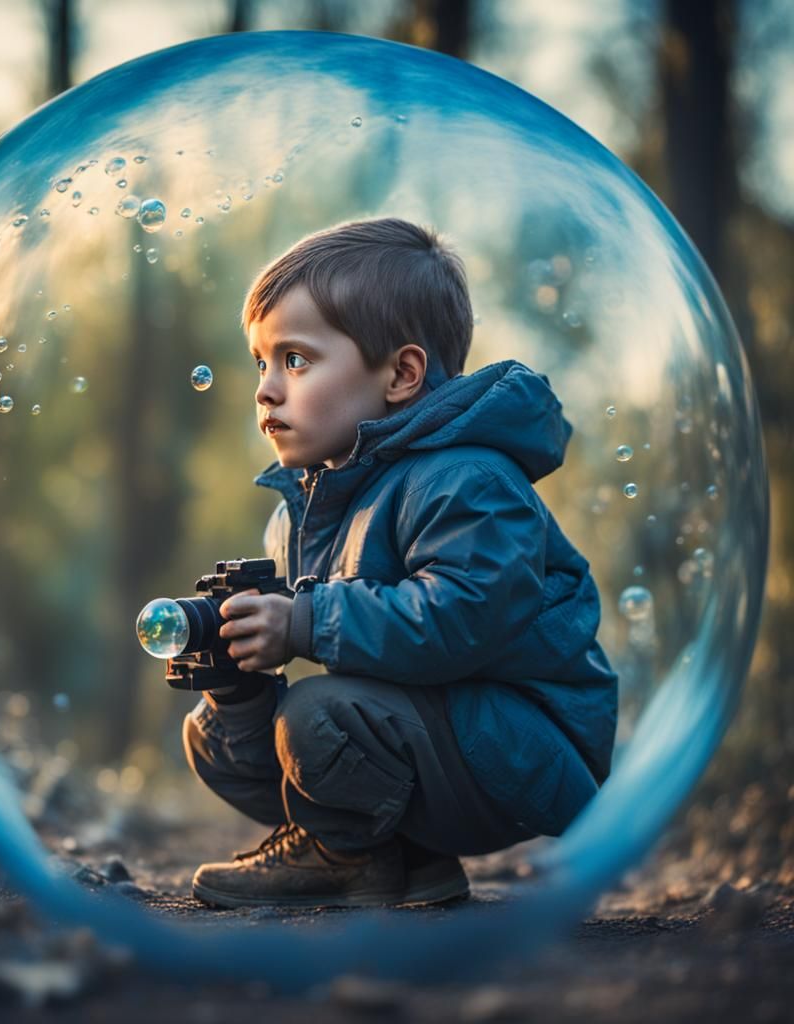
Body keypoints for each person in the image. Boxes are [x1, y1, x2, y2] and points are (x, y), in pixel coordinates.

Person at [182, 217, 617, 909]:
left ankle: (347, 858)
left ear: (401, 375)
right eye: (261, 363)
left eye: (295, 360)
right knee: (217, 734)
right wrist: (240, 677)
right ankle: (404, 860)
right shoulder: (305, 508)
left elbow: (465, 618)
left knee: (316, 717)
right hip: (437, 738)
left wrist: (304, 623)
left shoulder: (468, 479)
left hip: (519, 747)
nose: (266, 389)